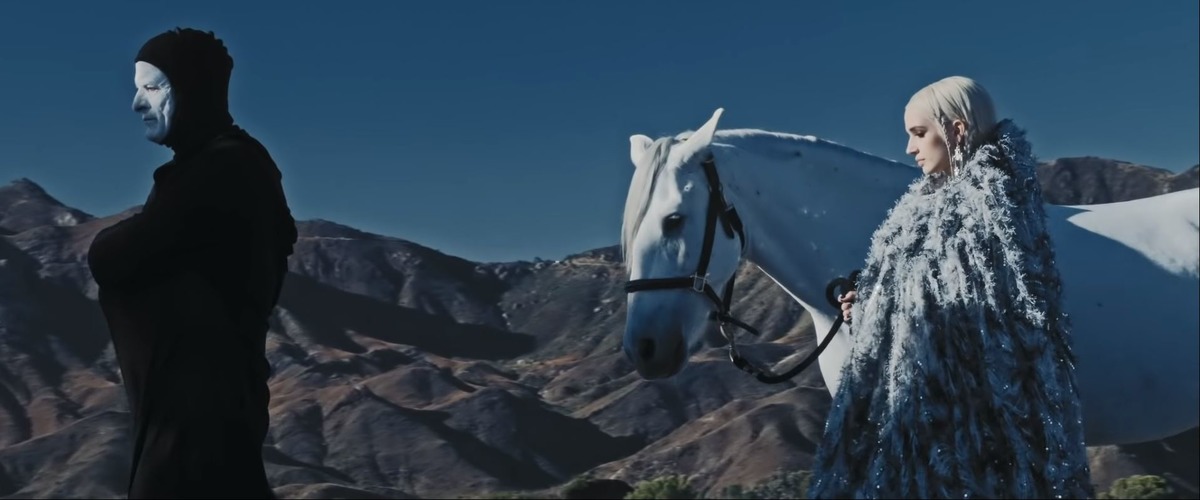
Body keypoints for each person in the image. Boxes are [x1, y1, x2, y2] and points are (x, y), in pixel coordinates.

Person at [807, 76, 1095, 498]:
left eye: (918, 133)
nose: (910, 148)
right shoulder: (918, 208)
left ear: (957, 130)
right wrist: (868, 307)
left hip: (970, 421)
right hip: (920, 408)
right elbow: (917, 294)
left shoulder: (992, 206)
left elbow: (987, 317)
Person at [87, 27, 297, 499]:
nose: (136, 104)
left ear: (194, 89)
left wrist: (107, 242)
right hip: (187, 421)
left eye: (152, 87)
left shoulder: (224, 170)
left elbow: (112, 257)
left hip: (196, 432)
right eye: (137, 88)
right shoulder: (214, 168)